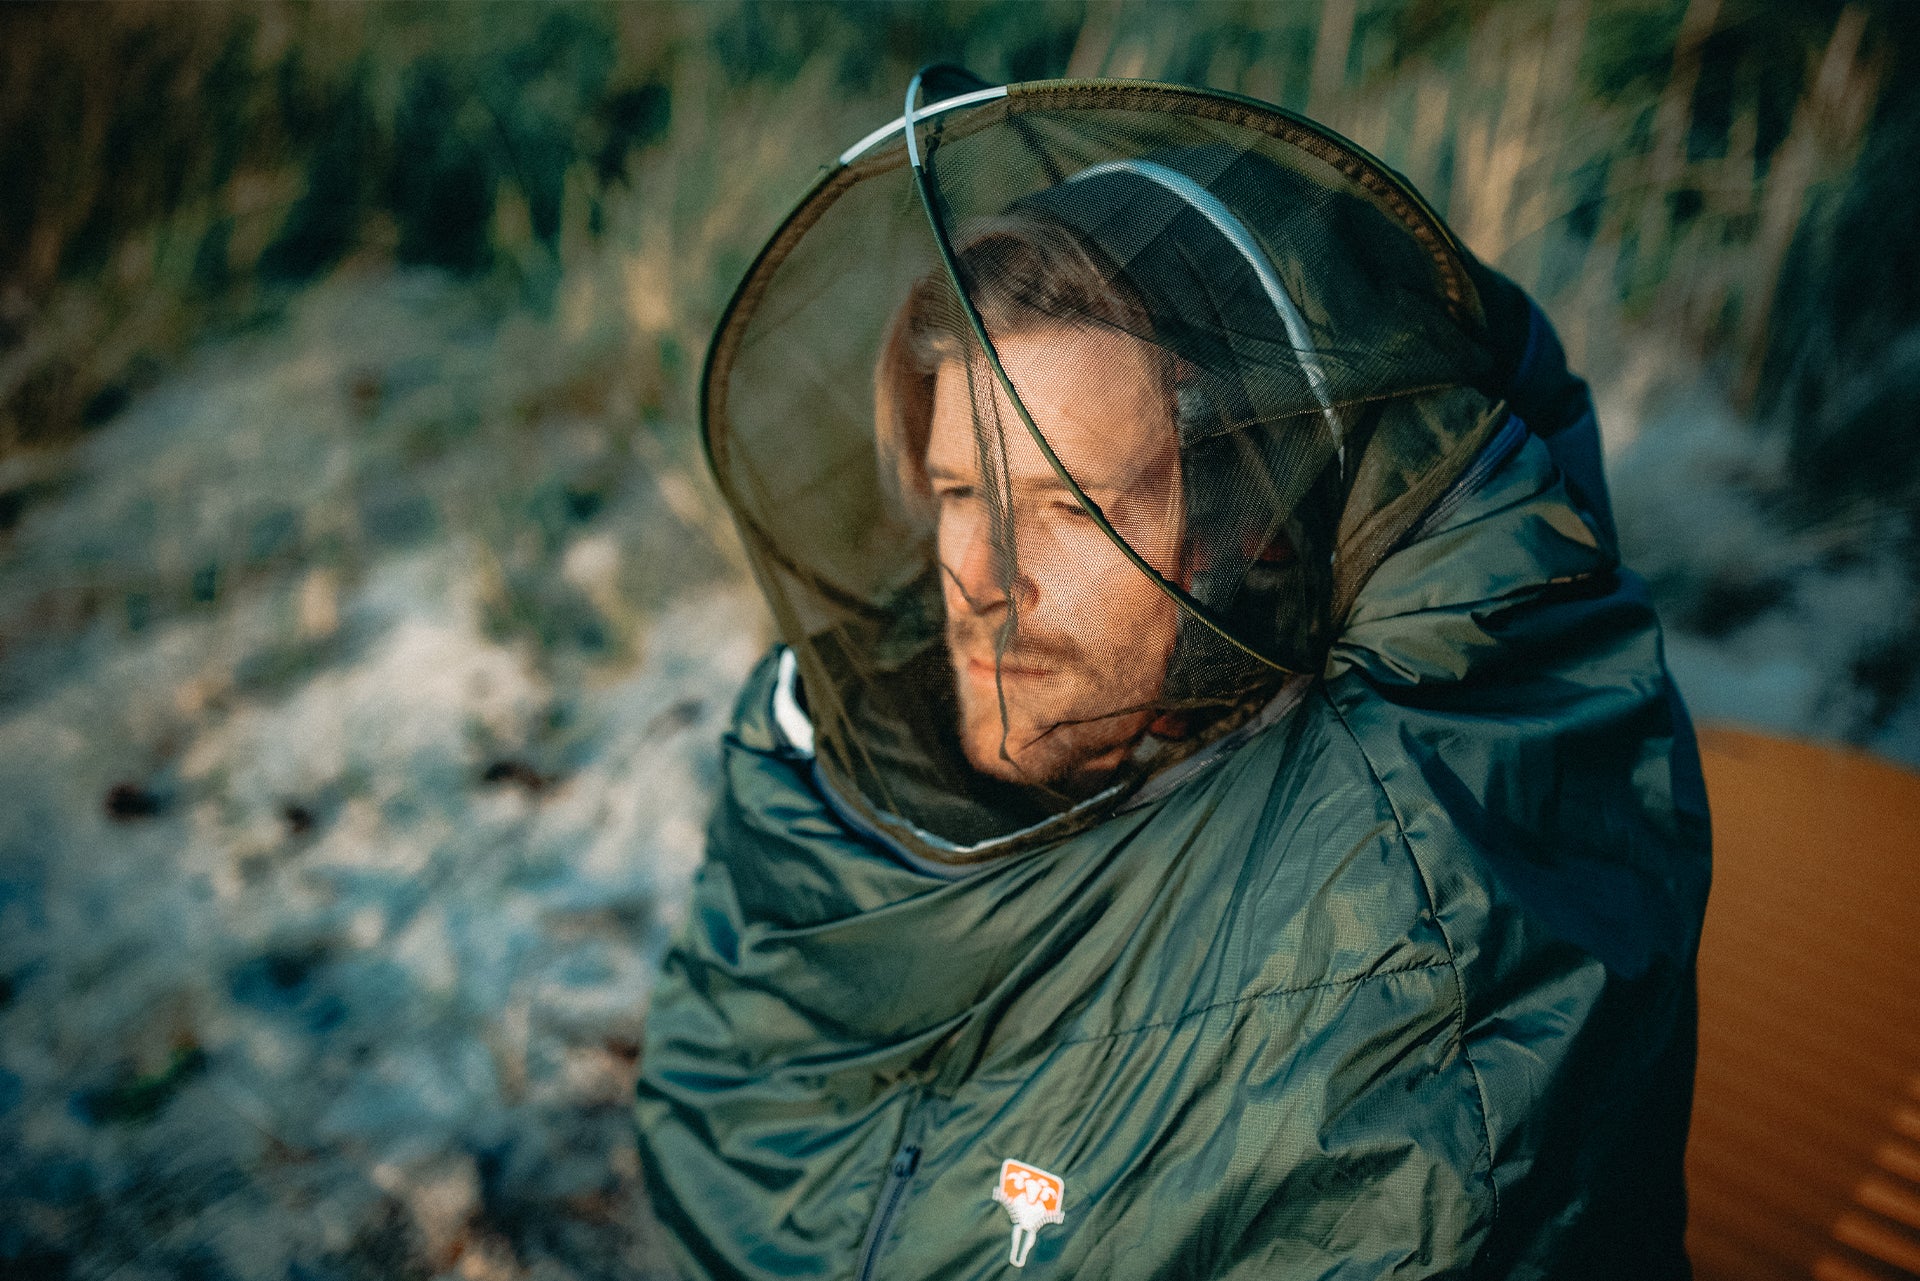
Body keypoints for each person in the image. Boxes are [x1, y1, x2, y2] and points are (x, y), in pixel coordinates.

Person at [636, 75, 1710, 1280]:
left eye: (1072, 508)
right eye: (956, 494)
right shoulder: (827, 765)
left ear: (1254, 518)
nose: (984, 575)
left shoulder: (1394, 903)